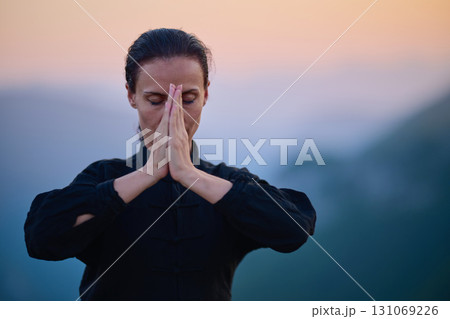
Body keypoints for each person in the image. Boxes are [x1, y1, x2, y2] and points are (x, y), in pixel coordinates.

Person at [24, 28, 317, 301]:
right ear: (131, 96)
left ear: (206, 94)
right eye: (155, 100)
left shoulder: (226, 183)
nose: (173, 115)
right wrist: (148, 173)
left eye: (188, 99)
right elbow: (41, 238)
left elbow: (293, 230)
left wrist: (189, 174)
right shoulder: (104, 177)